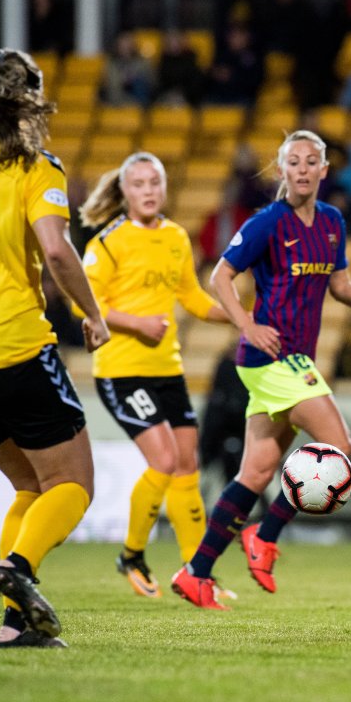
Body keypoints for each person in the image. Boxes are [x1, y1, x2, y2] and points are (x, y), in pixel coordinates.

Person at [171, 130, 351, 609]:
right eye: (293, 161)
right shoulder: (267, 223)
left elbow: (339, 284)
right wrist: (247, 324)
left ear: (324, 171)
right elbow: (219, 276)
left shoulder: (332, 221)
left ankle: (196, 572)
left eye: (311, 161)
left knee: (256, 471)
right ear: (281, 171)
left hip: (294, 359)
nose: (302, 169)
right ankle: (266, 533)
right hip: (273, 357)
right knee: (339, 446)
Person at [0, 47, 111, 647]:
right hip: (16, 346)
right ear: (31, 100)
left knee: (29, 487)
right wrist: (93, 313)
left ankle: (15, 624)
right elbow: (56, 251)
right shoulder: (35, 166)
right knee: (74, 484)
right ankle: (17, 571)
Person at [77, 151, 231, 598]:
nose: (148, 191)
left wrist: (239, 316)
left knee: (187, 467)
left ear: (164, 189)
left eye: (154, 183)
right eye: (139, 184)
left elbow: (193, 297)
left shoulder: (176, 237)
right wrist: (137, 324)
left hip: (167, 369)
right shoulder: (106, 243)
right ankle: (131, 555)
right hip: (122, 371)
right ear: (123, 192)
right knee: (163, 462)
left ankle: (196, 571)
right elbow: (83, 304)